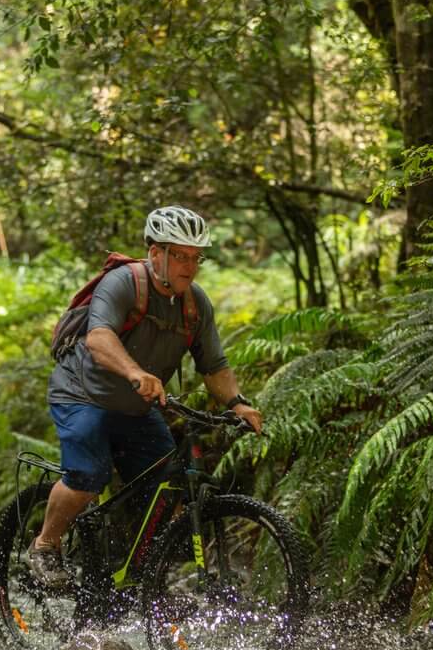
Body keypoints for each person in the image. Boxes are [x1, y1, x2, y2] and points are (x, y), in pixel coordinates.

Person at [33, 205, 263, 589]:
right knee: (88, 477)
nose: (189, 266)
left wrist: (236, 402)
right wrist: (136, 372)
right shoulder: (125, 283)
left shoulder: (195, 304)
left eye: (195, 258)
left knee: (166, 485)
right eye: (179, 256)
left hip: (136, 408)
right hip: (81, 394)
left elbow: (214, 366)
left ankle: (138, 580)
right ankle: (44, 545)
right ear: (157, 254)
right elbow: (99, 337)